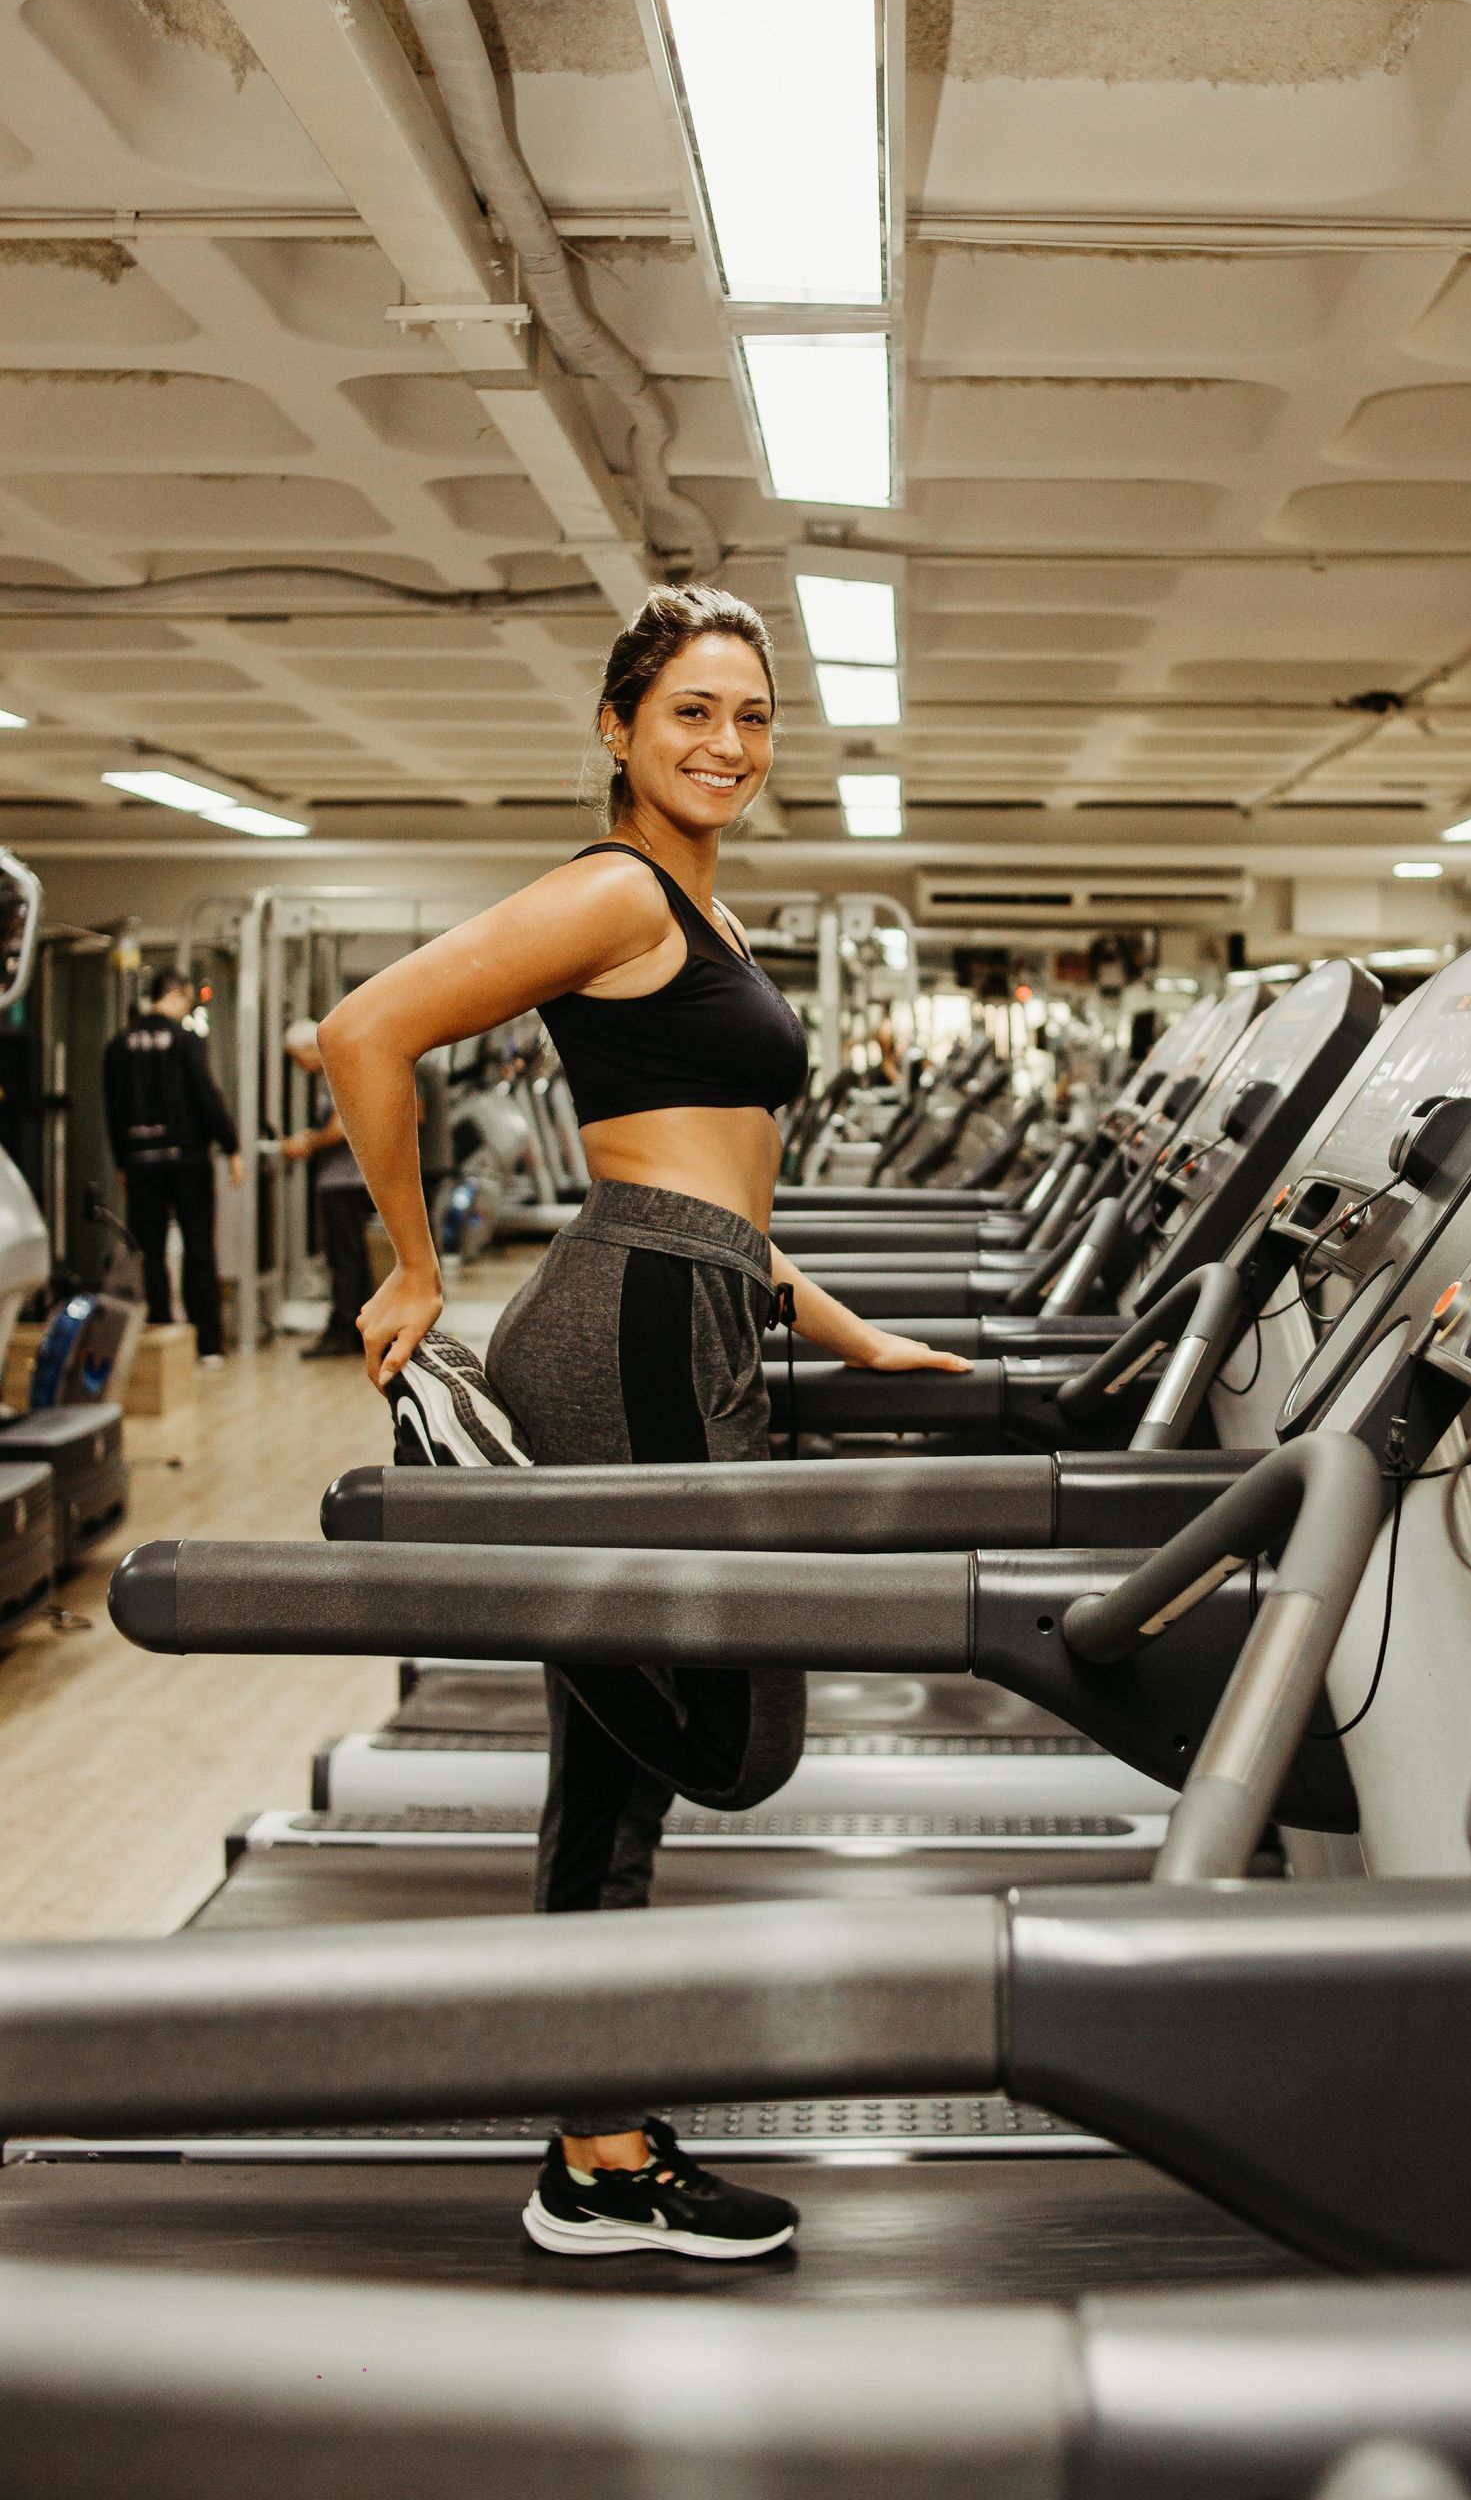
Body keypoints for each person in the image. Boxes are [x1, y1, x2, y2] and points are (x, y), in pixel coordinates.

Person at [315, 583, 970, 2266]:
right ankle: (586, 2130)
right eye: (691, 710)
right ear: (617, 729)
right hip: (634, 1327)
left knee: (622, 1766)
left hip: (701, 1304)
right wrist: (408, 1268)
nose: (727, 744)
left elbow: (720, 1182)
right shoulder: (614, 894)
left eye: (752, 715)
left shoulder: (705, 915)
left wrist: (840, 1325)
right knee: (704, 1738)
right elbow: (363, 1033)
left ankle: (593, 2137)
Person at [103, 969, 242, 1367]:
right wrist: (231, 1145)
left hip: (141, 1161)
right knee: (199, 1248)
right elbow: (205, 1094)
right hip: (187, 1159)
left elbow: (112, 1109)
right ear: (178, 994)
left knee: (150, 1252)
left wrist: (122, 1162)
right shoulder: (185, 1040)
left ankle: (161, 1334)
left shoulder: (119, 1044)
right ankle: (207, 1344)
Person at [281, 1017, 378, 1362]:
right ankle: (358, 1329)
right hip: (349, 1177)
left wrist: (308, 1143)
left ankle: (343, 1331)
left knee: (345, 1258)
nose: (297, 1066)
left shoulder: (337, 1071)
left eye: (296, 1057)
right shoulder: (336, 1073)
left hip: (344, 1179)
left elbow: (340, 1129)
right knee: (352, 1257)